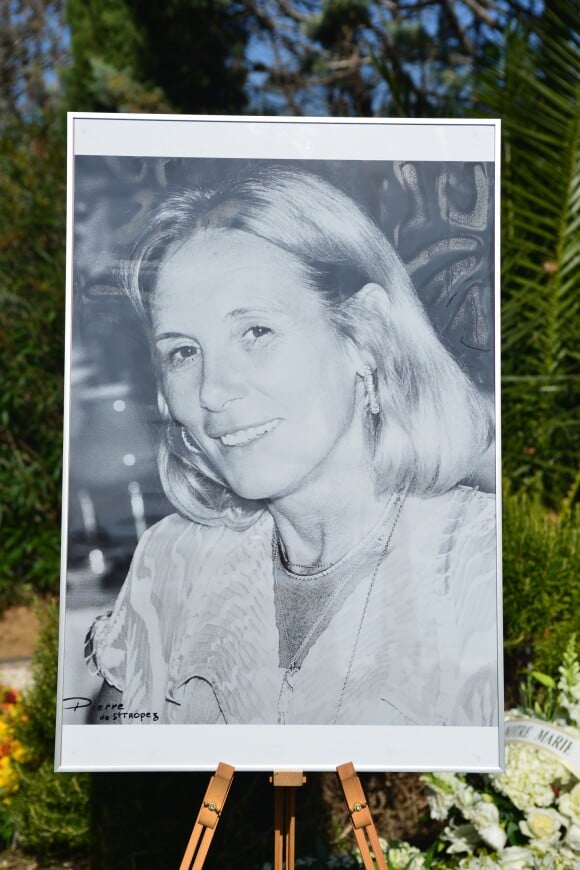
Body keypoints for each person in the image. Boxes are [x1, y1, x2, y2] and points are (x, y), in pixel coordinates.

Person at [85, 166, 498, 726]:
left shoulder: (478, 559)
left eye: (255, 332)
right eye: (182, 352)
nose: (212, 392)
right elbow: (123, 782)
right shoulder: (171, 562)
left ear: (366, 334)